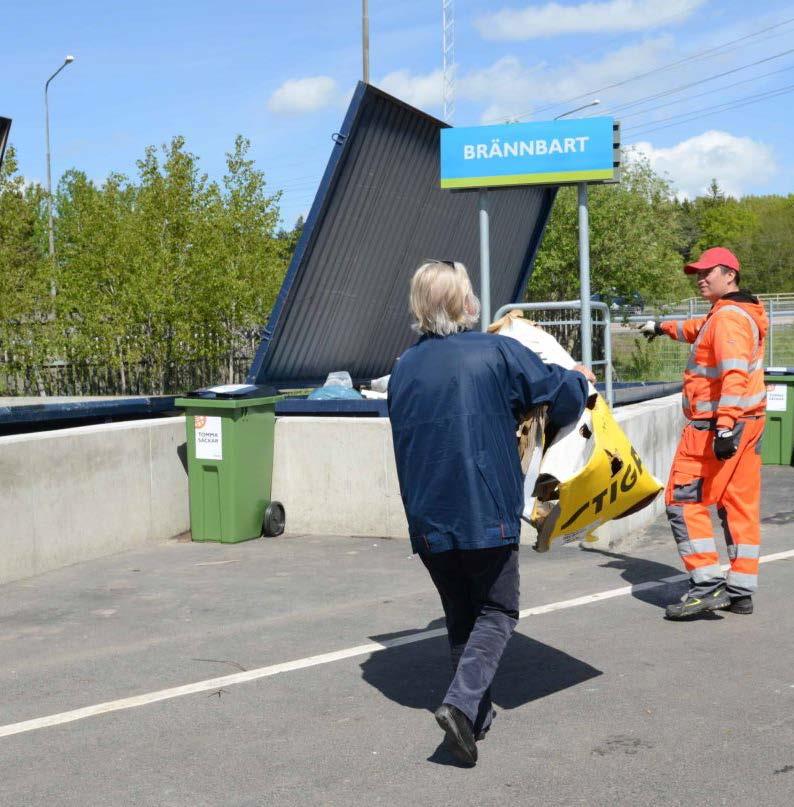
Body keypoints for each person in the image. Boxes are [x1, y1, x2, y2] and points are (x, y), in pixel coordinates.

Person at [387, 260, 592, 765]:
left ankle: (472, 720)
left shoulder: (404, 367)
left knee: (462, 613)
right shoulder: (496, 350)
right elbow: (561, 395)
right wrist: (578, 379)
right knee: (498, 610)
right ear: (464, 303)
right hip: (484, 509)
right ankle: (459, 705)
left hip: (427, 515)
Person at [638, 247, 768, 619]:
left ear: (730, 275)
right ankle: (740, 589)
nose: (700, 278)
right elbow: (698, 330)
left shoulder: (727, 318)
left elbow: (733, 374)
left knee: (682, 500)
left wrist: (724, 426)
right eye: (698, 272)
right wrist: (662, 328)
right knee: (737, 505)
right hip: (750, 425)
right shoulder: (737, 313)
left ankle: (706, 585)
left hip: (716, 427)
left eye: (707, 272)